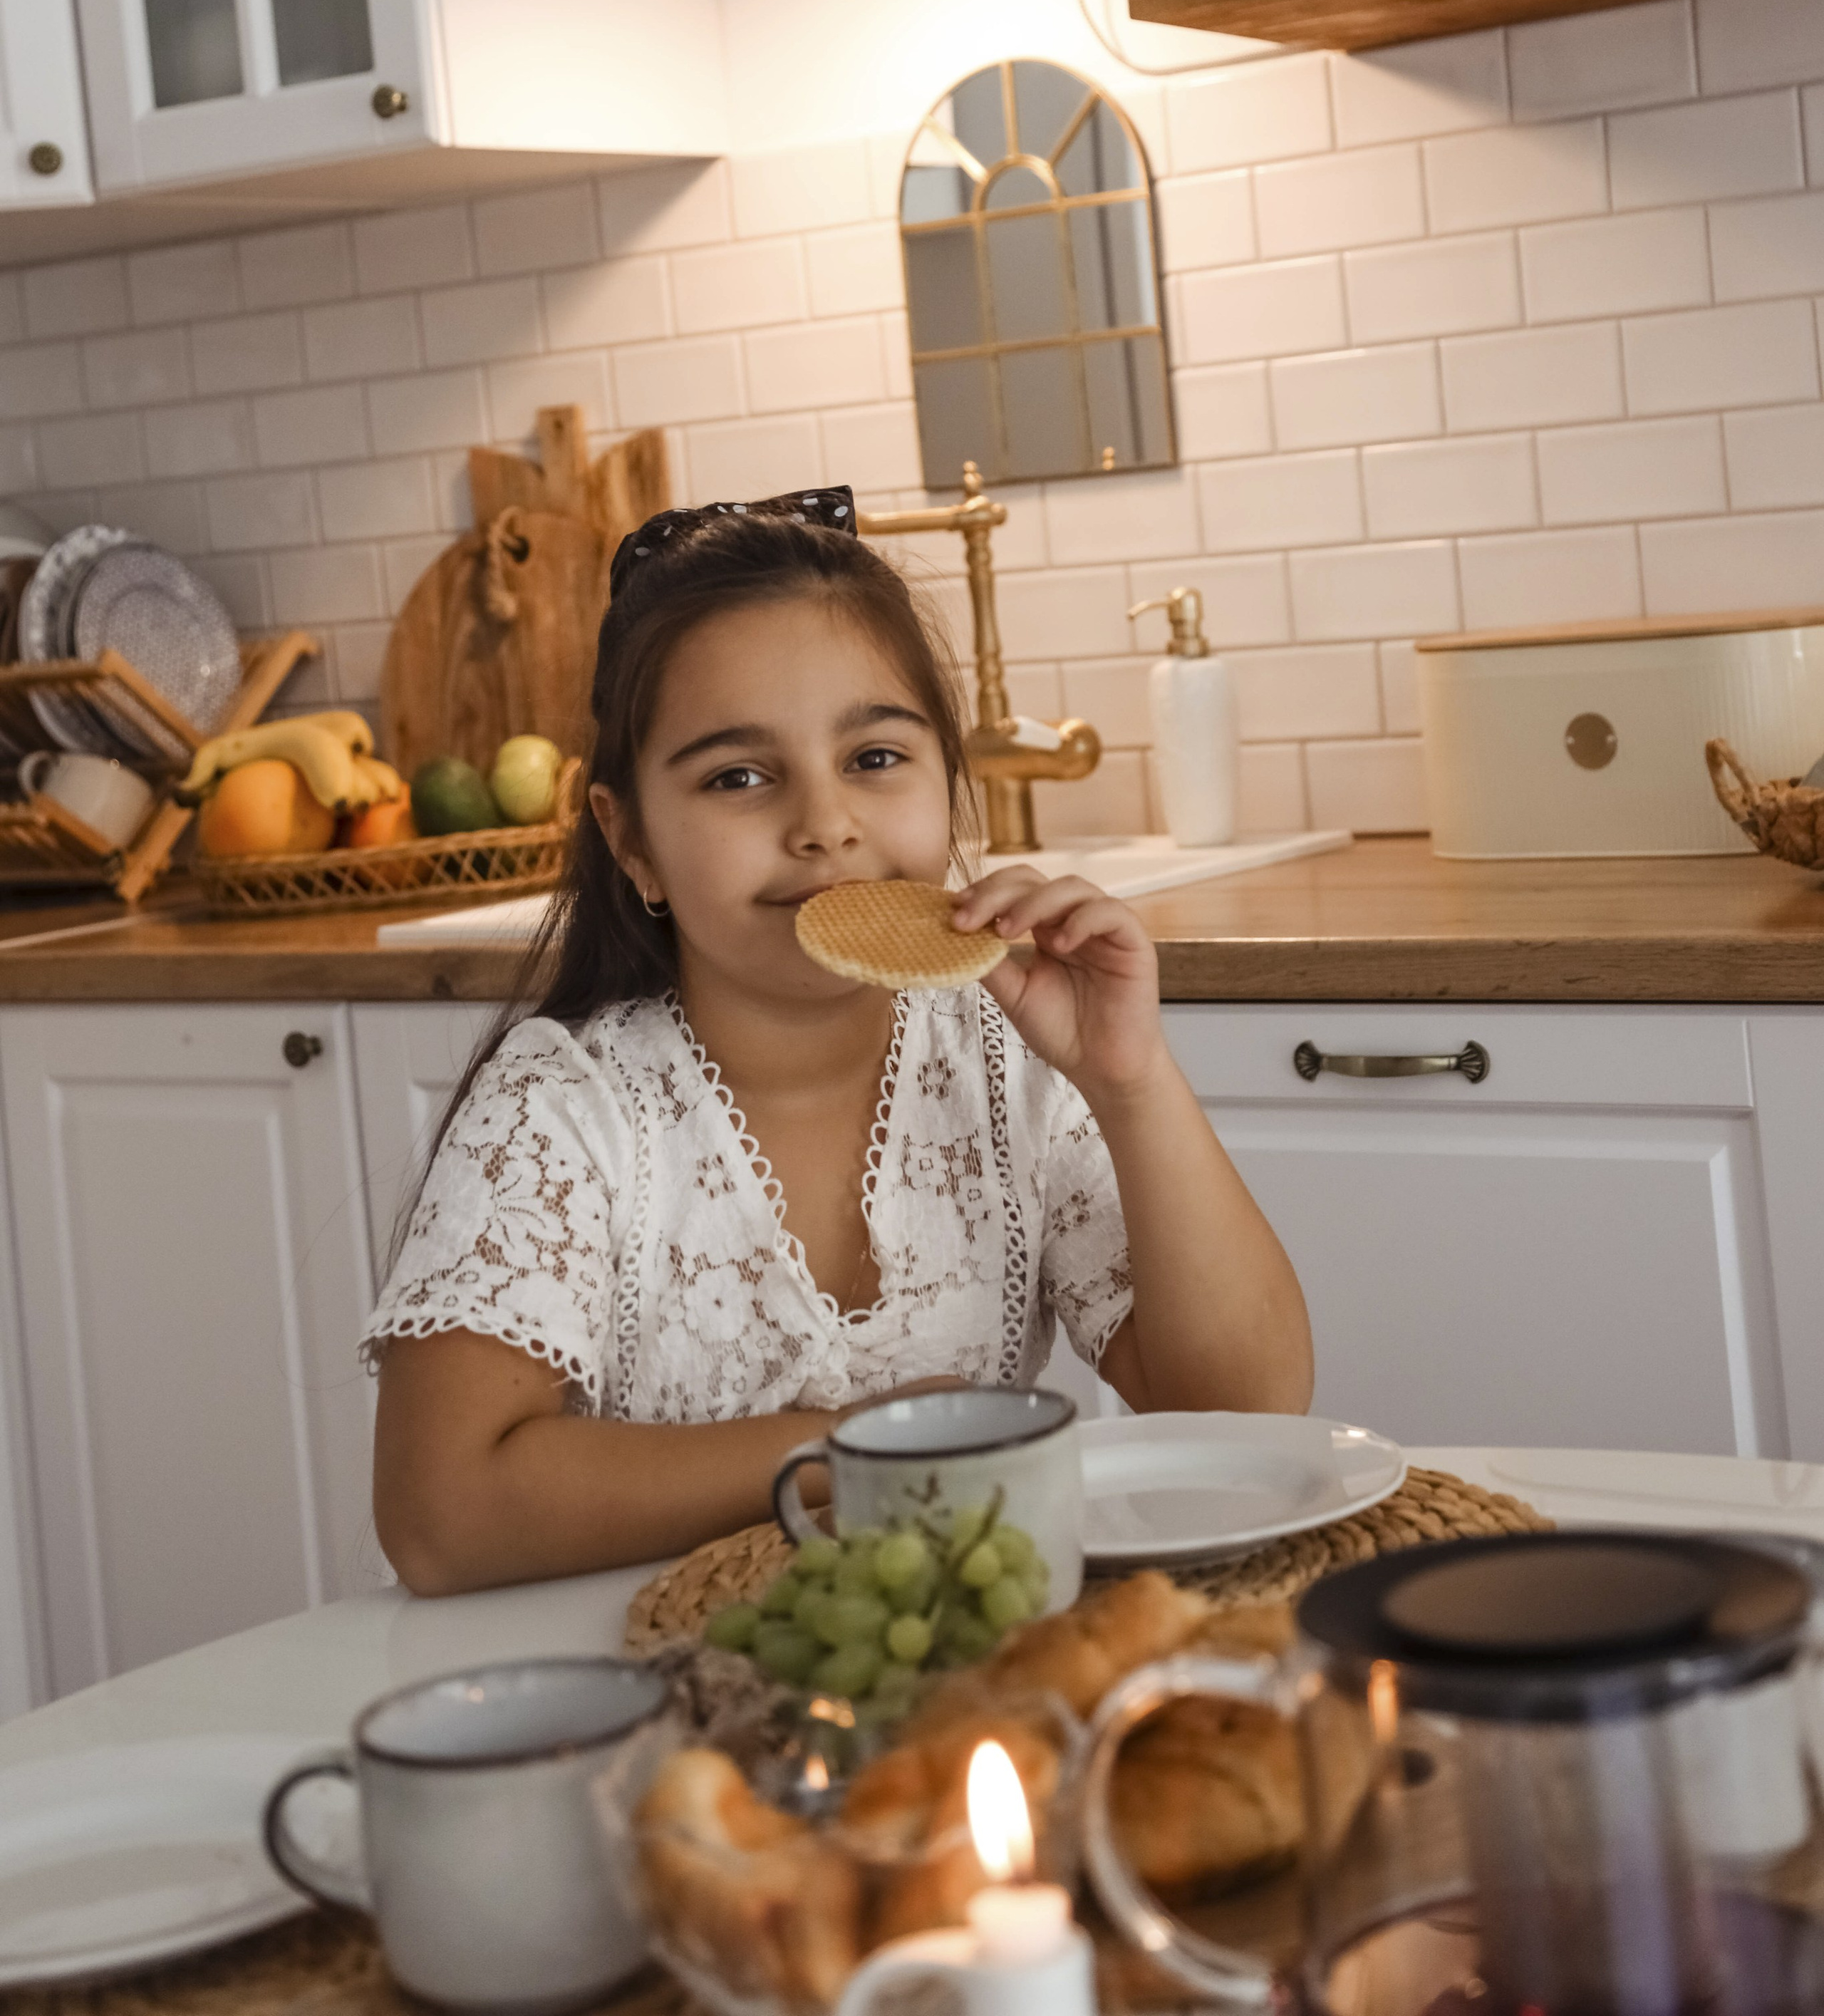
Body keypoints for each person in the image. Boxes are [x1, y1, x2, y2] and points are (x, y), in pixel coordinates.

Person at [368, 487, 1312, 1593]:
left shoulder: (1007, 1063)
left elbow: (1248, 1410)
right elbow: (441, 1516)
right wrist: (863, 1446)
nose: (826, 825)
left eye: (874, 758)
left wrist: (1131, 1082)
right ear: (632, 844)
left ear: (949, 782)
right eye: (737, 776)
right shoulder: (563, 1109)